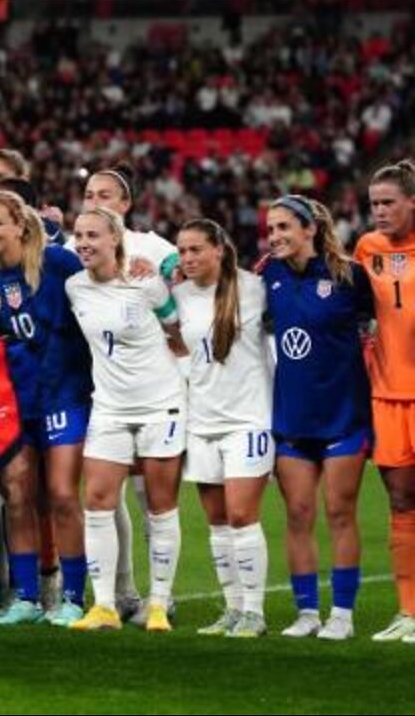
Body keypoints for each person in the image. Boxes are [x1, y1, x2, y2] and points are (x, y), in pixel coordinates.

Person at [0, 190, 90, 627]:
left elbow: (103, 288)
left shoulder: (58, 264)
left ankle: (73, 597)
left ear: (20, 224)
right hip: (16, 399)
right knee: (17, 495)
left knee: (60, 494)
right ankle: (27, 598)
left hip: (65, 392)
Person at [65, 206, 187, 633]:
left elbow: (178, 333)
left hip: (160, 403)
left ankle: (158, 605)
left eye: (93, 235)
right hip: (110, 406)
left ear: (115, 239)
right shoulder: (74, 286)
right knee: (97, 501)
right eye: (78, 235)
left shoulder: (146, 281)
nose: (83, 243)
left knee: (160, 505)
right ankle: (104, 607)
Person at [263, 195, 373, 640]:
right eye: (271, 229)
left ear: (310, 229)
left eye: (284, 227)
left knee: (339, 511)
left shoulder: (350, 276)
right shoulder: (266, 273)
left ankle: (342, 615)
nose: (275, 237)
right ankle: (307, 612)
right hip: (293, 418)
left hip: (343, 414)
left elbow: (385, 322)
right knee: (298, 513)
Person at [174, 219, 272, 638]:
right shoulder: (177, 296)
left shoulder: (254, 288)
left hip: (248, 417)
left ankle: (255, 611)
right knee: (216, 521)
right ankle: (232, 608)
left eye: (196, 249)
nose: (188, 258)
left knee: (241, 514)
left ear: (218, 249)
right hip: (201, 419)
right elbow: (177, 347)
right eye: (182, 251)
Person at [357, 160, 415, 643]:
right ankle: (408, 613)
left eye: (388, 203)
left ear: (412, 202)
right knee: (400, 500)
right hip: (388, 394)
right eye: (374, 203)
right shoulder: (367, 249)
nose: (378, 212)